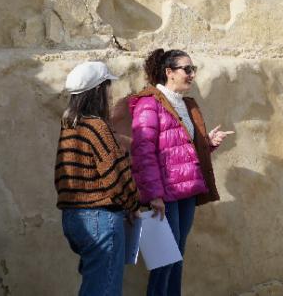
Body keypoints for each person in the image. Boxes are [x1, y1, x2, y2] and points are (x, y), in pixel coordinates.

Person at [129, 48, 233, 296]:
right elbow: (143, 153)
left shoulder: (185, 104)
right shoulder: (149, 103)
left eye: (193, 69)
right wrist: (154, 195)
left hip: (187, 190)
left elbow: (180, 147)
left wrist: (207, 144)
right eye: (187, 69)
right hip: (164, 194)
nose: (191, 74)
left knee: (177, 255)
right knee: (165, 258)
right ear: (169, 72)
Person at [54, 61, 141, 296]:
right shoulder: (96, 127)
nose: (110, 92)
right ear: (98, 91)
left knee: (94, 286)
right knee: (105, 290)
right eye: (107, 86)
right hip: (99, 219)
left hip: (73, 218)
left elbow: (62, 175)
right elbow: (116, 174)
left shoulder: (69, 125)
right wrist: (133, 204)